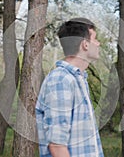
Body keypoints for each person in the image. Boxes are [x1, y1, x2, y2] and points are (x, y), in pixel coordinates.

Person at [35, 17, 104, 157]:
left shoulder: (78, 79)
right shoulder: (61, 80)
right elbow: (57, 145)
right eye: (95, 39)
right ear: (85, 44)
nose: (99, 43)